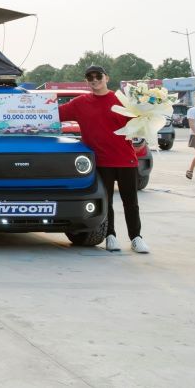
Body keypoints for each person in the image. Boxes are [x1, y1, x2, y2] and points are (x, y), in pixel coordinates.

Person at [58, 65, 149, 254]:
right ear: (86, 81)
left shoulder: (124, 101)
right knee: (106, 202)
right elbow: (53, 113)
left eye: (98, 76)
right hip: (101, 162)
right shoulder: (80, 103)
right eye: (89, 77)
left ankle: (136, 238)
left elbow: (141, 123)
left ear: (106, 77)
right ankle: (110, 235)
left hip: (125, 159)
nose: (94, 80)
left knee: (130, 202)